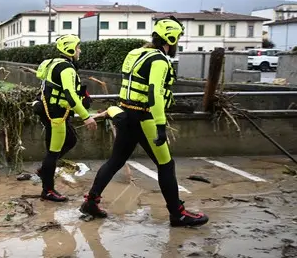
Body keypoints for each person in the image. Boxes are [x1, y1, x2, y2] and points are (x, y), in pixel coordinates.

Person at [79, 16, 209, 227]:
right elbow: (154, 94)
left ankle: (91, 202)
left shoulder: (135, 53)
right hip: (145, 117)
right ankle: (178, 214)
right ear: (171, 38)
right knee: (166, 165)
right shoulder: (159, 60)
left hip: (126, 114)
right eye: (177, 39)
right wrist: (160, 126)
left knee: (115, 161)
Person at [32, 34, 97, 202]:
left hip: (49, 110)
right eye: (77, 47)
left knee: (70, 139)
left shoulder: (53, 63)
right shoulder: (67, 69)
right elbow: (69, 94)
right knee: (53, 152)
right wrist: (86, 117)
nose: (79, 50)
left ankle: (44, 170)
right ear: (70, 49)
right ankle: (48, 190)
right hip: (56, 114)